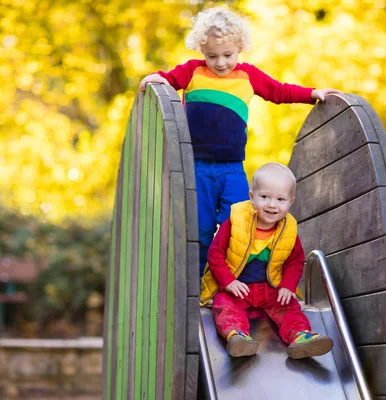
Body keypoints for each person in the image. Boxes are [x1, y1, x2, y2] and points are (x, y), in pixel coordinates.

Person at [139, 8, 340, 275]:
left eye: (227, 55)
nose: (220, 62)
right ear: (202, 50)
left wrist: (311, 93)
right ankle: (199, 282)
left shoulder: (248, 76)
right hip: (197, 166)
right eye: (212, 56)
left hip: (232, 168)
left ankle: (233, 279)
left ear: (240, 48)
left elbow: (279, 91)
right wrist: (155, 78)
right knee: (199, 228)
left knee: (239, 224)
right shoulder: (193, 72)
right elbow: (167, 79)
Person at [199, 162, 334, 359]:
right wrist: (228, 282)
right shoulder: (235, 223)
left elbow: (295, 260)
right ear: (252, 197)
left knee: (289, 308)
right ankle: (237, 336)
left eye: (280, 199)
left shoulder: (289, 231)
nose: (272, 204)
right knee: (225, 305)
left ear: (291, 202)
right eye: (265, 197)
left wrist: (288, 285)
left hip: (270, 289)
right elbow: (215, 254)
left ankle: (300, 336)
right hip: (238, 288)